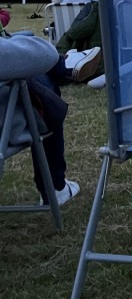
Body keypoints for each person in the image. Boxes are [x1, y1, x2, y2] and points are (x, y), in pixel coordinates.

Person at [0, 32, 80, 206]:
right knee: (42, 87)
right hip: (7, 127)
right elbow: (45, 54)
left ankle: (67, 66)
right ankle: (54, 186)